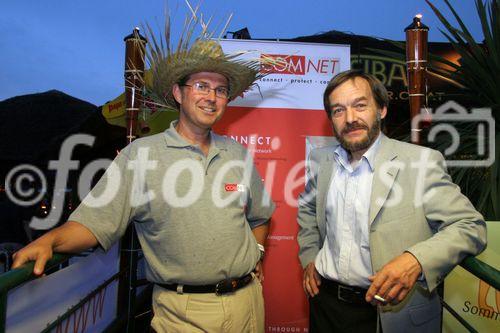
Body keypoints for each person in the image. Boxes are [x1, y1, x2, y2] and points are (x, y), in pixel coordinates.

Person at [12, 37, 275, 332]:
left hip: (249, 305)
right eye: (201, 86)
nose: (211, 97)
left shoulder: (237, 154)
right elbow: (93, 223)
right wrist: (50, 240)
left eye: (220, 89)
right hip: (185, 314)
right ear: (178, 92)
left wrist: (258, 252)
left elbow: (260, 215)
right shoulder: (140, 155)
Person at [297, 69, 486, 332]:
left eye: (360, 106)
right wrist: (309, 257)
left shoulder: (421, 163)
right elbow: (307, 211)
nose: (350, 119)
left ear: (382, 109)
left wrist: (415, 259)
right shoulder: (321, 160)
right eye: (338, 110)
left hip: (390, 314)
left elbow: (470, 226)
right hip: (326, 306)